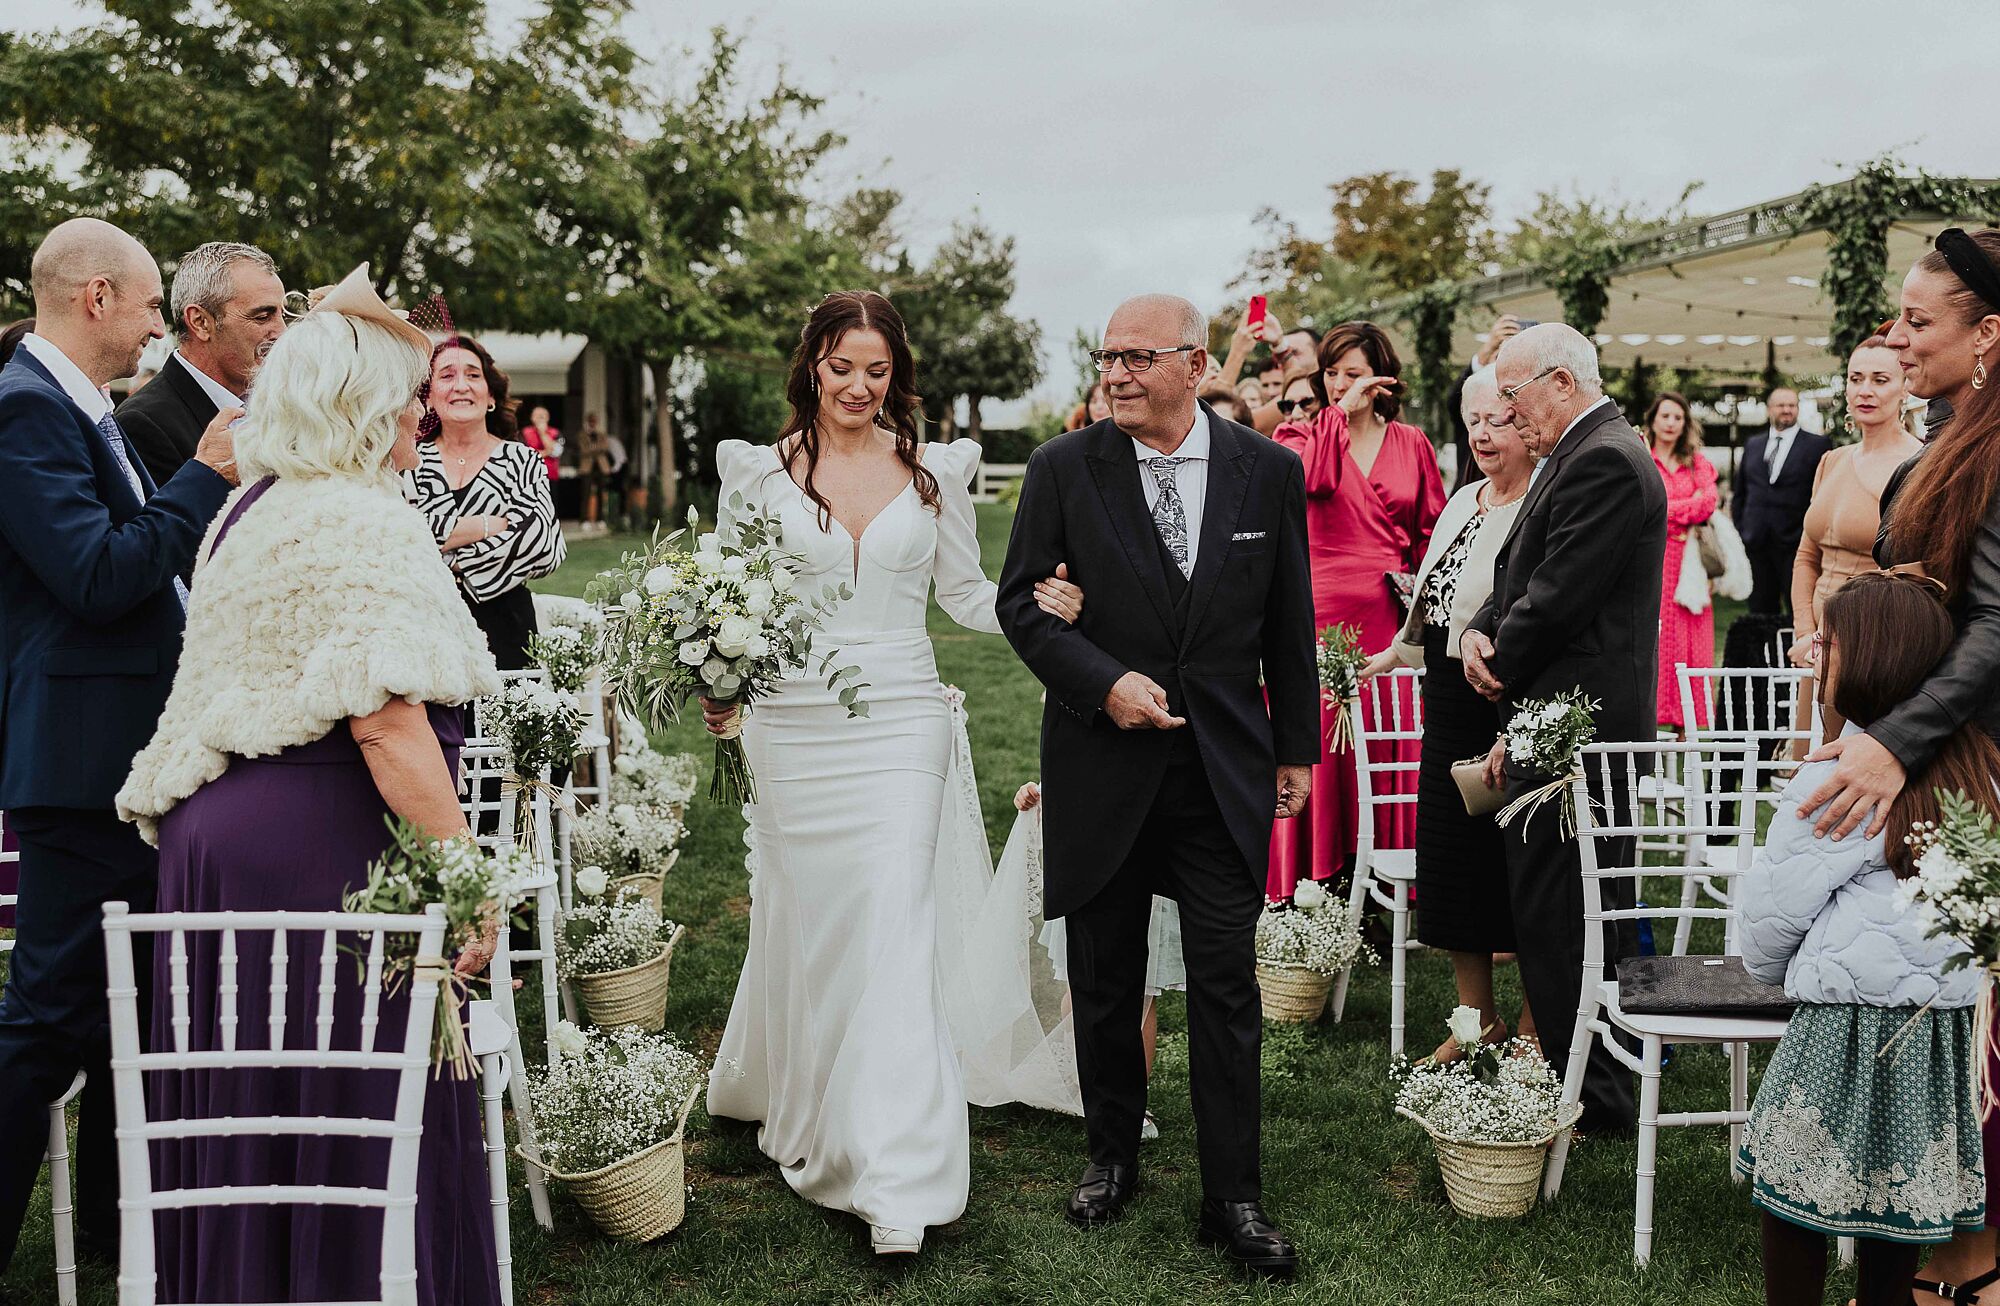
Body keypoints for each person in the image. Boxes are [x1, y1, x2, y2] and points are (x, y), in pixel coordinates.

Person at [116, 267, 502, 1304]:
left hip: (225, 854)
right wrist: (466, 877)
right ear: (365, 408)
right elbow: (384, 719)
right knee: (353, 1118)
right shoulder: (360, 517)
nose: (421, 421)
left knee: (256, 1124)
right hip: (324, 858)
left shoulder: (249, 510)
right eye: (408, 404)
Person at [699, 291, 1083, 1258]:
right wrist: (718, 675)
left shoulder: (933, 472)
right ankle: (791, 1093)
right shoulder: (756, 474)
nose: (859, 388)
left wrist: (1041, 609)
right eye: (840, 368)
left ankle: (896, 1170)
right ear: (810, 367)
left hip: (903, 718)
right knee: (810, 917)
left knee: (893, 915)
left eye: (875, 370)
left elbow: (961, 593)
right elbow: (727, 595)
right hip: (792, 721)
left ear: (895, 373)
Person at [997, 293, 1318, 1280]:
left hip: (1219, 772)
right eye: (1108, 358)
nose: (1117, 374)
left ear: (1194, 363)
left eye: (1139, 357)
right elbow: (1021, 606)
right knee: (1103, 976)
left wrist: (1295, 749)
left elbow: (1286, 622)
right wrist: (1104, 682)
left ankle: (1234, 1193)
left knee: (1225, 985)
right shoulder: (1064, 468)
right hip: (1100, 765)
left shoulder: (1265, 472)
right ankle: (1109, 1155)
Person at [0, 217, 237, 1279]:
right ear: (96, 297)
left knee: (120, 1015)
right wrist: (201, 475)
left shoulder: (77, 407)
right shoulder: (23, 414)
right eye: (148, 305)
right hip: (81, 764)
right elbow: (98, 575)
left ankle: (108, 1231)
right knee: (48, 1021)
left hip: (129, 759)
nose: (155, 327)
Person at [1802, 227, 2000, 1301]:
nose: (1897, 335)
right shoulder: (1952, 443)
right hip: (1936, 772)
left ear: (1988, 334)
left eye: (1919, 322)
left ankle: (1958, 1269)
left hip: (1973, 774)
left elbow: (1994, 626)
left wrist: (1892, 738)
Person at [1737, 571, 1990, 1306]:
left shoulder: (1837, 778)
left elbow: (1766, 929)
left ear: (1871, 658)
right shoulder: (1980, 773)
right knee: (1898, 1199)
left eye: (1828, 639)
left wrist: (1794, 964)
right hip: (1937, 1031)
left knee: (1793, 1189)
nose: (1812, 651)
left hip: (1840, 1027)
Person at [1463, 323, 1667, 1135]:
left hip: (1578, 726)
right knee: (1570, 911)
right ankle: (1589, 1085)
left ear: (1558, 383)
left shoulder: (1607, 460)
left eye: (1513, 397)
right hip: (1561, 717)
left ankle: (1591, 1095)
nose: (1507, 416)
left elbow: (1558, 597)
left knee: (1566, 916)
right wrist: (1480, 626)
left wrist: (1498, 656)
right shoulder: (1581, 454)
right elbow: (1518, 568)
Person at [1359, 366, 1536, 1060]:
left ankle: (1532, 1023)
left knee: (1515, 866)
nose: (1484, 434)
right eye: (1475, 422)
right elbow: (1434, 604)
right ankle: (1475, 1020)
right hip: (1446, 703)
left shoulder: (1540, 504)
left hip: (1500, 701)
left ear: (1528, 426)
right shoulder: (1466, 498)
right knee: (1453, 866)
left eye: (1498, 420)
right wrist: (1393, 656)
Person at [1266, 321, 1446, 901]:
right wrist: (1337, 413)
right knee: (1316, 744)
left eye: (1354, 373)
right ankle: (1310, 881)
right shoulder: (1300, 433)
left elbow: (1431, 534)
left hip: (1384, 614)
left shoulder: (1412, 442)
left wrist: (1425, 612)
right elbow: (1313, 483)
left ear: (1382, 377)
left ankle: (1383, 878)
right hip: (1316, 611)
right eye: (1332, 372)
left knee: (1382, 736)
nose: (1341, 383)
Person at [1784, 335, 1923, 752]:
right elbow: (1807, 556)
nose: (1865, 390)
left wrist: (1834, 640)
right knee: (1806, 767)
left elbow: (1909, 574)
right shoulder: (1832, 461)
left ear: (1905, 388)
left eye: (1880, 379)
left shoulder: (1917, 464)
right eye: (1855, 378)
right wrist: (1807, 631)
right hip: (1815, 647)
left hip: (1870, 644)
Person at [402, 336, 566, 669]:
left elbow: (542, 546)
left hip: (508, 629)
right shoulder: (408, 460)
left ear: (490, 395)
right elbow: (397, 539)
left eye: (474, 375)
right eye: (447, 375)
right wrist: (490, 525)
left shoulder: (522, 461)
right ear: (428, 396)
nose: (461, 385)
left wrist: (443, 558)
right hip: (426, 627)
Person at [116, 241, 285, 486]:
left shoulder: (278, 405)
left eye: (283, 314)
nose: (281, 331)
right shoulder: (142, 424)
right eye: (262, 316)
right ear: (200, 322)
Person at [1648, 391, 1720, 734]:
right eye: (1665, 416)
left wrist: (1664, 510)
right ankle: (1650, 721)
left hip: (1690, 564)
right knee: (1656, 638)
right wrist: (1679, 509)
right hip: (1652, 559)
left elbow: (1708, 502)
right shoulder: (1643, 458)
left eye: (1678, 417)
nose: (1671, 423)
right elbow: (1642, 505)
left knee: (1691, 644)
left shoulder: (1697, 462)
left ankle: (1684, 731)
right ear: (1653, 420)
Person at [1733, 385, 1830, 615]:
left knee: (1799, 609)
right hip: (1756, 542)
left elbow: (1822, 495)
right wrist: (1742, 527)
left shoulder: (1817, 445)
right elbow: (1741, 492)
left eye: (1792, 405)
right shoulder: (1753, 444)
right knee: (1759, 610)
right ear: (1769, 410)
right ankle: (1763, 651)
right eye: (1781, 405)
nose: (1787, 410)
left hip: (1795, 543)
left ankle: (1792, 651)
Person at [572, 409, 614, 533]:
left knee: (601, 494)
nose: (593, 423)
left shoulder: (601, 434)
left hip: (600, 467)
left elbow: (605, 447)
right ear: (588, 421)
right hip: (587, 468)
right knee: (585, 494)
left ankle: (601, 519)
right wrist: (596, 448)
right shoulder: (582, 435)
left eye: (594, 421)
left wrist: (593, 448)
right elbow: (583, 450)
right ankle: (584, 520)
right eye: (591, 421)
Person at [520, 404, 561, 482]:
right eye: (537, 416)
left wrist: (542, 433)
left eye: (542, 416)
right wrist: (547, 452)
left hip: (550, 475)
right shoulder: (525, 432)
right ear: (531, 418)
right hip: (531, 474)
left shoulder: (555, 432)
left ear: (548, 418)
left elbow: (556, 452)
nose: (539, 419)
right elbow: (525, 454)